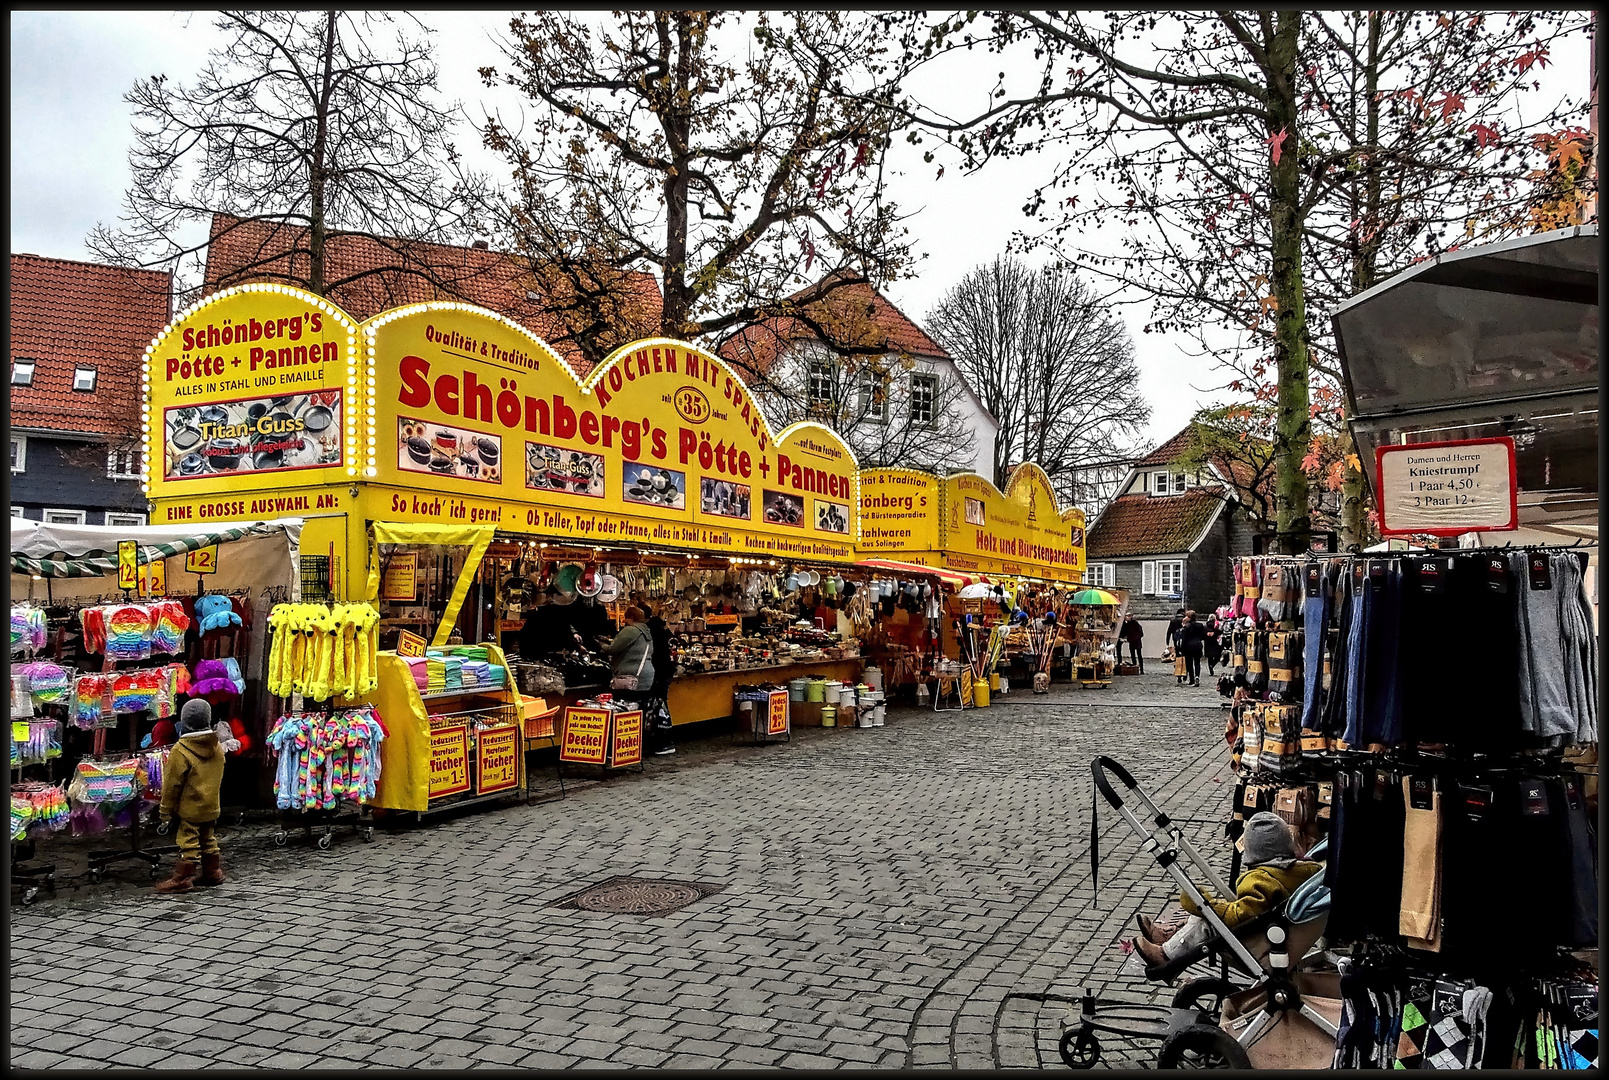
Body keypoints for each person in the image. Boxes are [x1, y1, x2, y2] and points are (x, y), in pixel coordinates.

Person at [1131, 812, 1321, 968]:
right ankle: (1172, 938)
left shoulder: (1261, 881)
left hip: (1260, 945)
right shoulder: (1301, 871)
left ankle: (1166, 955)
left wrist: (1205, 905)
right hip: (1274, 930)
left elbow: (1240, 915)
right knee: (1205, 915)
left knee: (1206, 920)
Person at [154, 699, 228, 895]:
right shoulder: (217, 747)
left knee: (188, 841)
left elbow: (172, 785)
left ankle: (183, 878)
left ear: (184, 722)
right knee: (208, 838)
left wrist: (165, 811)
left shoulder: (181, 750)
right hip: (211, 805)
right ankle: (213, 871)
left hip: (190, 808)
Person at [604, 604, 655, 707]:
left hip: (631, 679)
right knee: (639, 708)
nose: (624, 622)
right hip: (646, 678)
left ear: (631, 618)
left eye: (625, 618)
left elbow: (612, 649)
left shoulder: (631, 630)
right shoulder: (646, 633)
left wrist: (600, 644)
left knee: (623, 708)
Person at [644, 603, 675, 756]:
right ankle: (664, 740)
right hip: (665, 671)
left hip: (657, 672)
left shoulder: (648, 632)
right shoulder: (662, 630)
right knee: (661, 704)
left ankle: (662, 741)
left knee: (657, 706)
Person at [520, 586, 581, 659]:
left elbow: (565, 623)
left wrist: (574, 633)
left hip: (539, 646)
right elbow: (559, 631)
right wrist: (577, 647)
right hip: (535, 646)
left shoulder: (560, 609)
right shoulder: (551, 611)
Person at [1179, 609, 1206, 686]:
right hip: (1198, 645)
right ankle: (1197, 676)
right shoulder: (1200, 625)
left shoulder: (1187, 626)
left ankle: (1192, 680)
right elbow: (1203, 636)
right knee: (1197, 663)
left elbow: (1183, 637)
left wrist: (1181, 648)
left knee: (1189, 664)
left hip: (1188, 646)